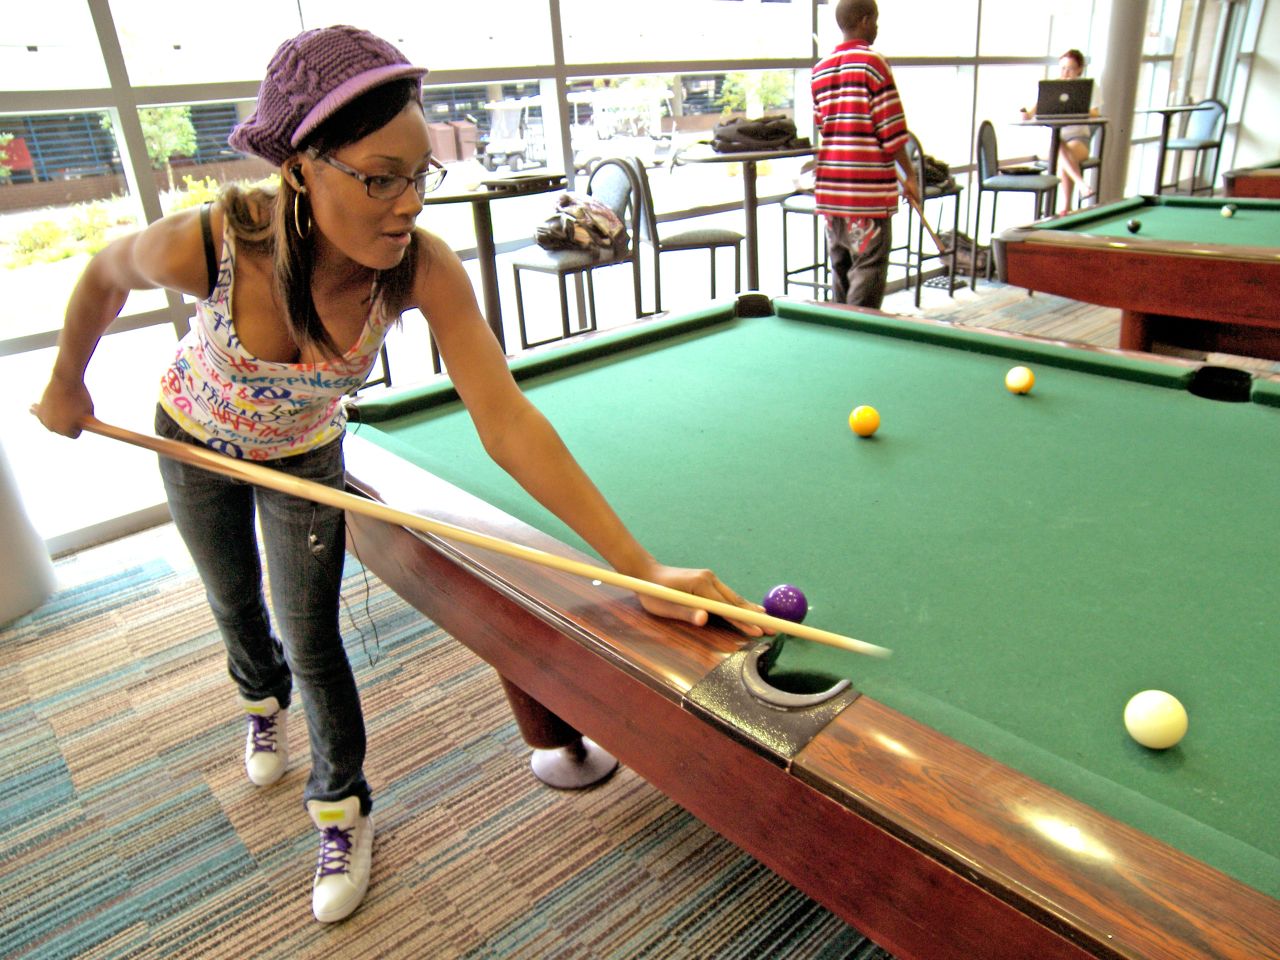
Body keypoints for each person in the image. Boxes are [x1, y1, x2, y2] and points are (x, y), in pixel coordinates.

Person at [32, 25, 763, 925]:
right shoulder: (215, 243)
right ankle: (259, 703)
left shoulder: (419, 268)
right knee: (234, 608)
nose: (407, 203)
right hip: (190, 437)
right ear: (303, 166)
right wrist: (66, 379)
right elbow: (103, 274)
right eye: (381, 176)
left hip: (302, 455)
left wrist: (636, 566)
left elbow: (508, 421)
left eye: (422, 175)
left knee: (314, 637)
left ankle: (342, 811)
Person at [811, 0, 920, 309]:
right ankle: (859, 340)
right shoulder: (873, 63)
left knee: (842, 271)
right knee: (868, 273)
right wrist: (910, 176)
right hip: (866, 192)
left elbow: (824, 126)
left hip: (831, 191)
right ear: (864, 19)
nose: (877, 27)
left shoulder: (819, 70)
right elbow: (892, 130)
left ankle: (841, 342)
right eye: (875, 20)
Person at [1021, 49, 1101, 213]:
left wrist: (1076, 109)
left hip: (1078, 138)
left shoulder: (1089, 88)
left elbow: (1095, 113)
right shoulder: (1052, 88)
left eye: (1070, 69)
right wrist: (1025, 114)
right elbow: (1032, 112)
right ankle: (1079, 187)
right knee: (1058, 145)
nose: (1065, 73)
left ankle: (1065, 207)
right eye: (1063, 68)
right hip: (1052, 141)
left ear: (1079, 69)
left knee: (1063, 153)